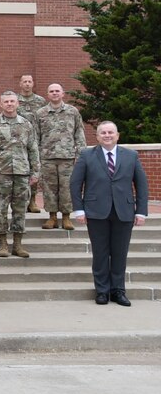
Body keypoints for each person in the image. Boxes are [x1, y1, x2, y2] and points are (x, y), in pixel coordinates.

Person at [71, 121, 149, 307]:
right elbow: (75, 184)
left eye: (111, 132)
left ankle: (118, 291)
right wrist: (79, 209)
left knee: (120, 253)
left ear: (117, 135)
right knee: (100, 253)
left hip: (124, 212)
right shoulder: (87, 155)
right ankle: (102, 291)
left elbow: (142, 185)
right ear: (97, 137)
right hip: (96, 212)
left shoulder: (131, 156)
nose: (107, 135)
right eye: (103, 133)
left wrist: (141, 212)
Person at [0, 91, 40, 258]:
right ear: (1, 104)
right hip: (0, 173)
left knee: (20, 209)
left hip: (22, 173)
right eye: (6, 101)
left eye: (12, 101)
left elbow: (33, 149)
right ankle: (3, 243)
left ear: (17, 103)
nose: (9, 104)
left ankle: (18, 244)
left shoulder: (26, 124)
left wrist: (35, 171)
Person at [34, 83, 87, 231]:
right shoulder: (40, 113)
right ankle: (51, 217)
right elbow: (35, 136)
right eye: (51, 91)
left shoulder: (72, 111)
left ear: (63, 93)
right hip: (47, 157)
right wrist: (36, 157)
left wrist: (80, 156)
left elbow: (79, 134)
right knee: (49, 188)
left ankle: (66, 217)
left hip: (67, 157)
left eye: (57, 91)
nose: (55, 93)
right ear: (48, 94)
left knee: (67, 188)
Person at [17, 74, 47, 213]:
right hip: (18, 143)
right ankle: (22, 201)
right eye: (25, 82)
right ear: (20, 84)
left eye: (29, 81)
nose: (27, 84)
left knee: (34, 171)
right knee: (20, 172)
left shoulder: (40, 101)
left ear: (33, 84)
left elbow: (45, 120)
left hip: (35, 142)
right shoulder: (15, 100)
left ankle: (33, 201)